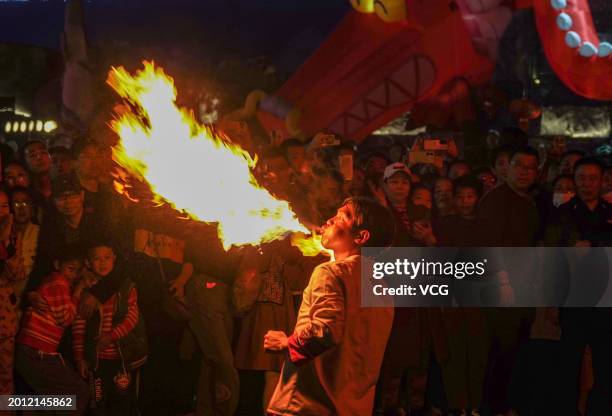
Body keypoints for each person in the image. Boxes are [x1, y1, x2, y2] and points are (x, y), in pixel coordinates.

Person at [264, 197, 396, 416]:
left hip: (308, 404)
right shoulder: (382, 287)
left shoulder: (330, 272)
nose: (329, 221)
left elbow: (325, 331)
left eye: (342, 216)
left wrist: (286, 343)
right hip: (353, 407)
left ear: (361, 236)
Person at [14, 245, 89, 414]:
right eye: (70, 269)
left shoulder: (53, 281)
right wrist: (78, 291)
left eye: (77, 272)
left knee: (51, 399)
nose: (74, 275)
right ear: (57, 265)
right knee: (79, 392)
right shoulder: (58, 282)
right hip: (36, 353)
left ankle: (14, 404)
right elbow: (66, 318)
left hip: (33, 351)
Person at [73, 240, 144, 416]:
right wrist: (79, 357)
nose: (103, 262)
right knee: (97, 403)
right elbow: (79, 326)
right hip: (97, 361)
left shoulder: (126, 287)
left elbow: (132, 318)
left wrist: (111, 336)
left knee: (122, 403)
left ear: (114, 259)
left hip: (122, 358)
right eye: (97, 259)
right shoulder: (86, 291)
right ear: (88, 263)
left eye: (107, 258)